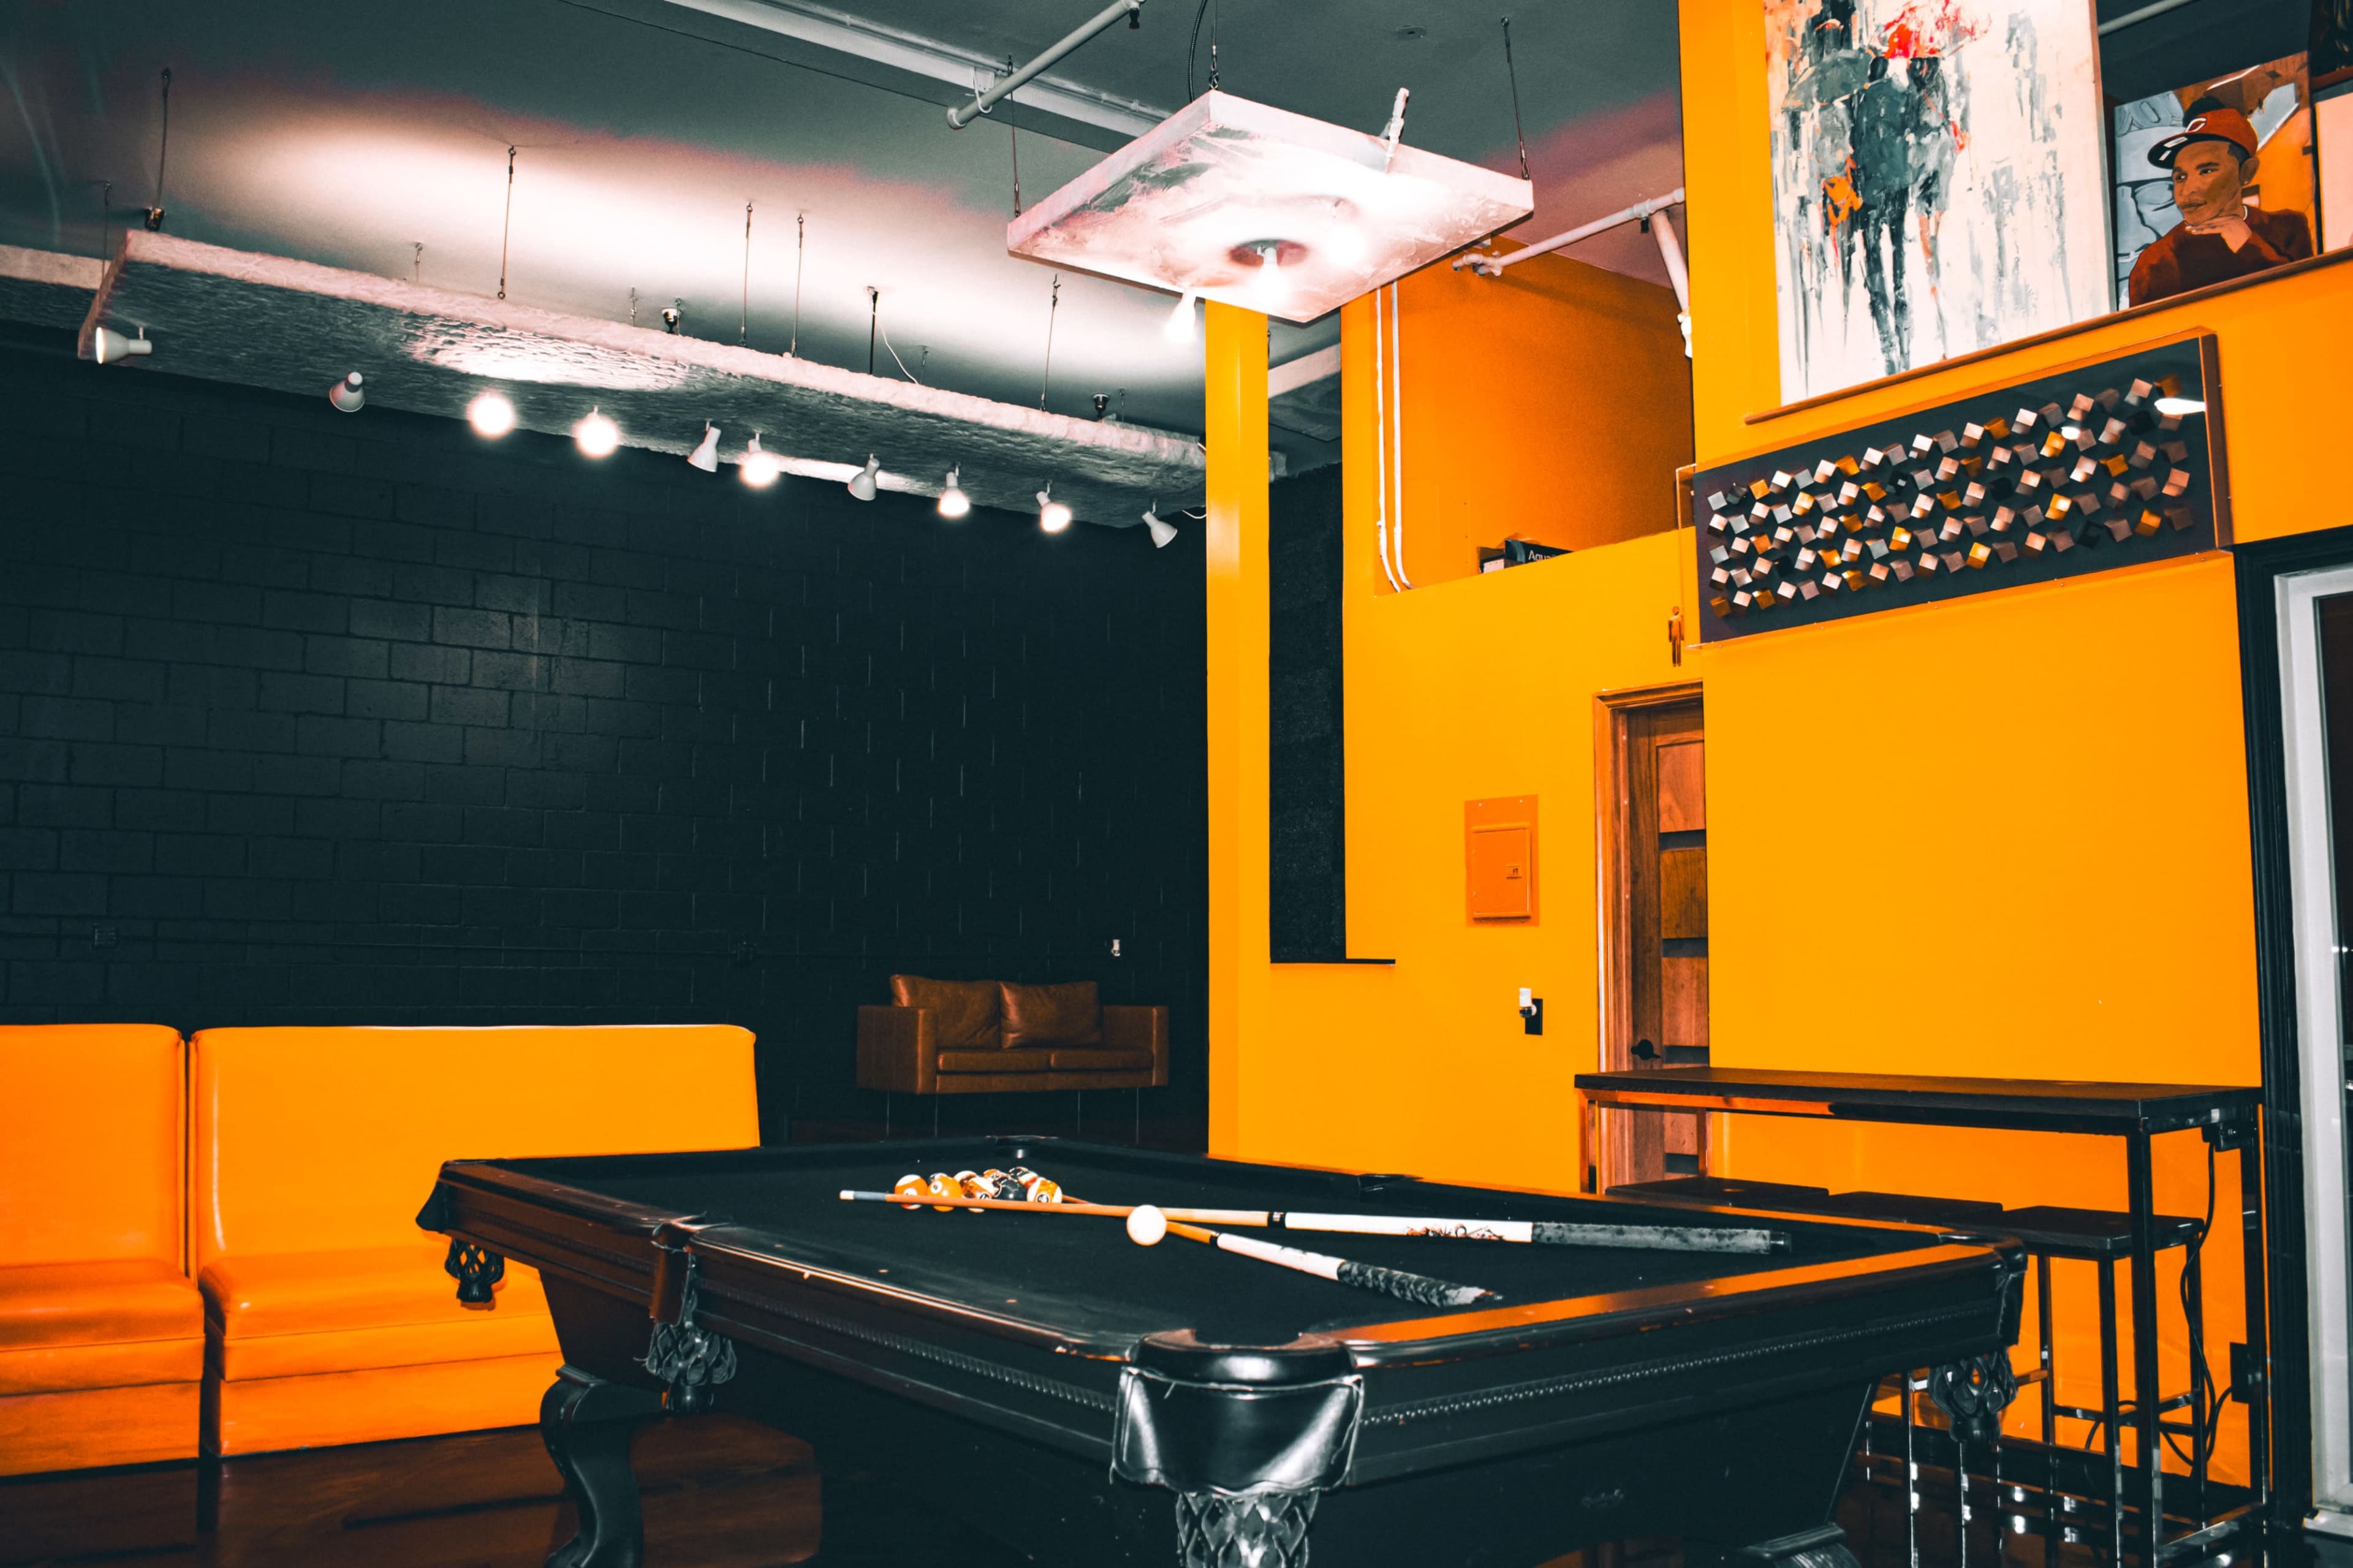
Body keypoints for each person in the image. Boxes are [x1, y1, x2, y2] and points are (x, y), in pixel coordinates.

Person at [2126, 103, 2313, 305]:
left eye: (2206, 171)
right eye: (2180, 177)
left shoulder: (2288, 228)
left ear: (2246, 172)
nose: (2188, 190)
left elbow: (2306, 303)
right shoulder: (2155, 261)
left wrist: (2246, 243)